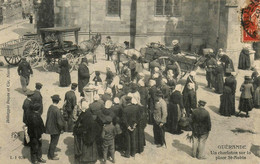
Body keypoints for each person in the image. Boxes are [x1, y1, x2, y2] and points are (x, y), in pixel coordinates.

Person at [45, 95, 65, 160]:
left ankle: (50, 153)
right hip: (55, 129)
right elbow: (60, 122)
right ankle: (51, 156)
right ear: (58, 101)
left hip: (50, 128)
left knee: (52, 141)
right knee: (54, 142)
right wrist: (62, 129)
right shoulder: (57, 110)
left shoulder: (50, 107)